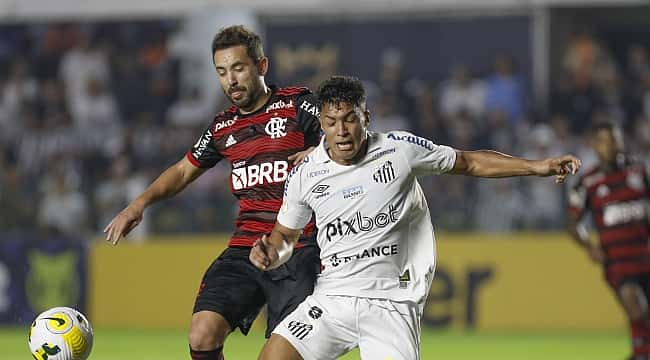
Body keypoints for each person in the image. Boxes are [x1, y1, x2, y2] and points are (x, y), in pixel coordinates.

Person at [249, 75, 581, 360]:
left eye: (350, 119)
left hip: (390, 302)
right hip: (332, 298)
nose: (342, 131)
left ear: (367, 116)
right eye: (332, 122)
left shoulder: (399, 150)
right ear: (321, 123)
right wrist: (271, 251)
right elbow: (285, 237)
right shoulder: (305, 174)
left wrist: (536, 166)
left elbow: (468, 162)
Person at [103, 25, 322, 360]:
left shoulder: (297, 105)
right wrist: (138, 204)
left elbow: (345, 132)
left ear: (261, 66)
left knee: (278, 357)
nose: (230, 80)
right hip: (244, 247)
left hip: (298, 246)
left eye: (238, 68)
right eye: (222, 72)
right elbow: (182, 171)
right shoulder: (223, 126)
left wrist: (321, 151)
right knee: (202, 334)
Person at [567, 122, 650, 360]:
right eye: (605, 140)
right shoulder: (588, 183)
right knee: (636, 308)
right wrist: (589, 246)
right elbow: (572, 224)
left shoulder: (638, 171)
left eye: (616, 140)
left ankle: (640, 354)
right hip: (617, 261)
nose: (612, 145)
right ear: (595, 145)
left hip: (644, 254)